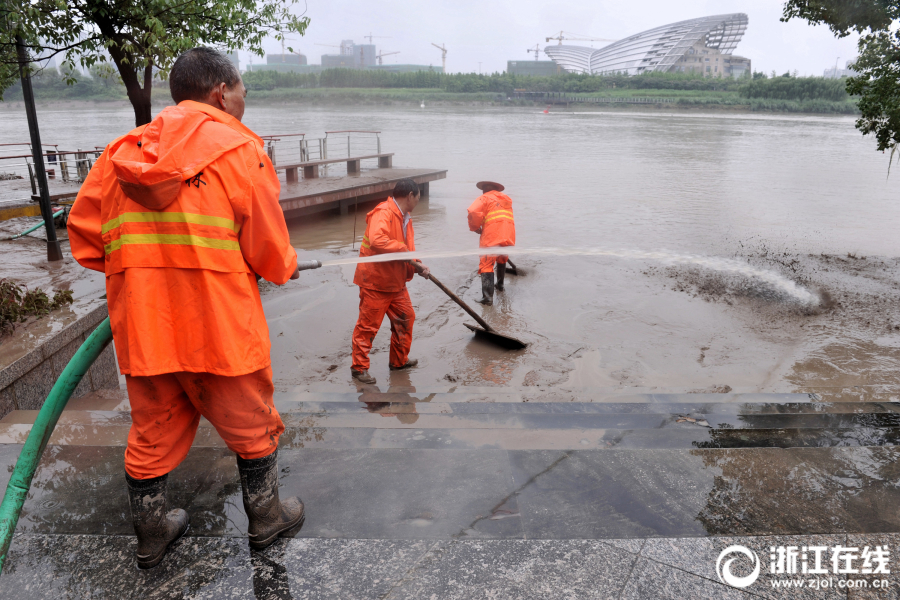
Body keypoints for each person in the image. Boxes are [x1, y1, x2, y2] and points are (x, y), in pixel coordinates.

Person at [68, 47, 304, 569]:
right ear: (222, 92)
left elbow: (86, 241)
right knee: (251, 423)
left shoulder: (119, 155)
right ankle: (266, 519)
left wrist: (146, 276)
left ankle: (152, 533)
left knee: (153, 429)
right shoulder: (242, 151)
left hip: (145, 329)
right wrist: (285, 266)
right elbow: (269, 252)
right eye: (243, 89)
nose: (245, 99)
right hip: (220, 327)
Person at [350, 178, 430, 385]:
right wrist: (406, 254)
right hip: (376, 282)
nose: (418, 201)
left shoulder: (406, 217)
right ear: (410, 195)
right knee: (368, 327)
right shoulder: (384, 212)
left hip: (395, 282)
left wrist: (416, 265)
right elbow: (378, 241)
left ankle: (398, 362)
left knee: (406, 319)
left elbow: (406, 250)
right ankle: (359, 369)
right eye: (418, 197)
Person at [467, 181, 515, 305]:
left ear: (485, 190)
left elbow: (472, 211)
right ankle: (500, 285)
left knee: (486, 262)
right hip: (507, 234)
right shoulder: (506, 199)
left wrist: (475, 227)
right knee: (501, 258)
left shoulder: (484, 198)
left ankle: (487, 298)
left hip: (492, 235)